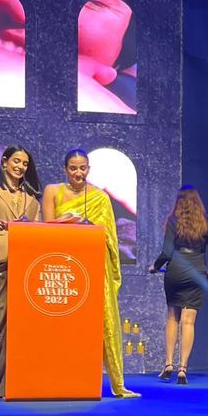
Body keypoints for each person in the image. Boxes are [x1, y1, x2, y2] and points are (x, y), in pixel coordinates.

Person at [41, 149, 140, 399]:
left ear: (89, 169)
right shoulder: (53, 191)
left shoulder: (100, 198)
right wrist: (66, 221)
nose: (78, 173)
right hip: (61, 269)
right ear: (65, 169)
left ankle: (117, 384)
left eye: (82, 168)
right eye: (73, 168)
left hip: (92, 267)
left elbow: (109, 238)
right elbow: (45, 227)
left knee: (104, 318)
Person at [0, 145, 42, 398]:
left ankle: (21, 383)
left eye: (24, 164)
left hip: (25, 266)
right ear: (5, 162)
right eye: (16, 161)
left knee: (23, 327)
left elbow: (38, 232)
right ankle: (1, 384)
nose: (20, 167)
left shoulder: (32, 200)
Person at [149, 188, 208, 383]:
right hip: (197, 273)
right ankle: (182, 369)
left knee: (173, 318)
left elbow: (166, 252)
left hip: (175, 272)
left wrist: (155, 267)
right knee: (188, 322)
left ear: (178, 201)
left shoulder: (173, 220)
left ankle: (168, 364)